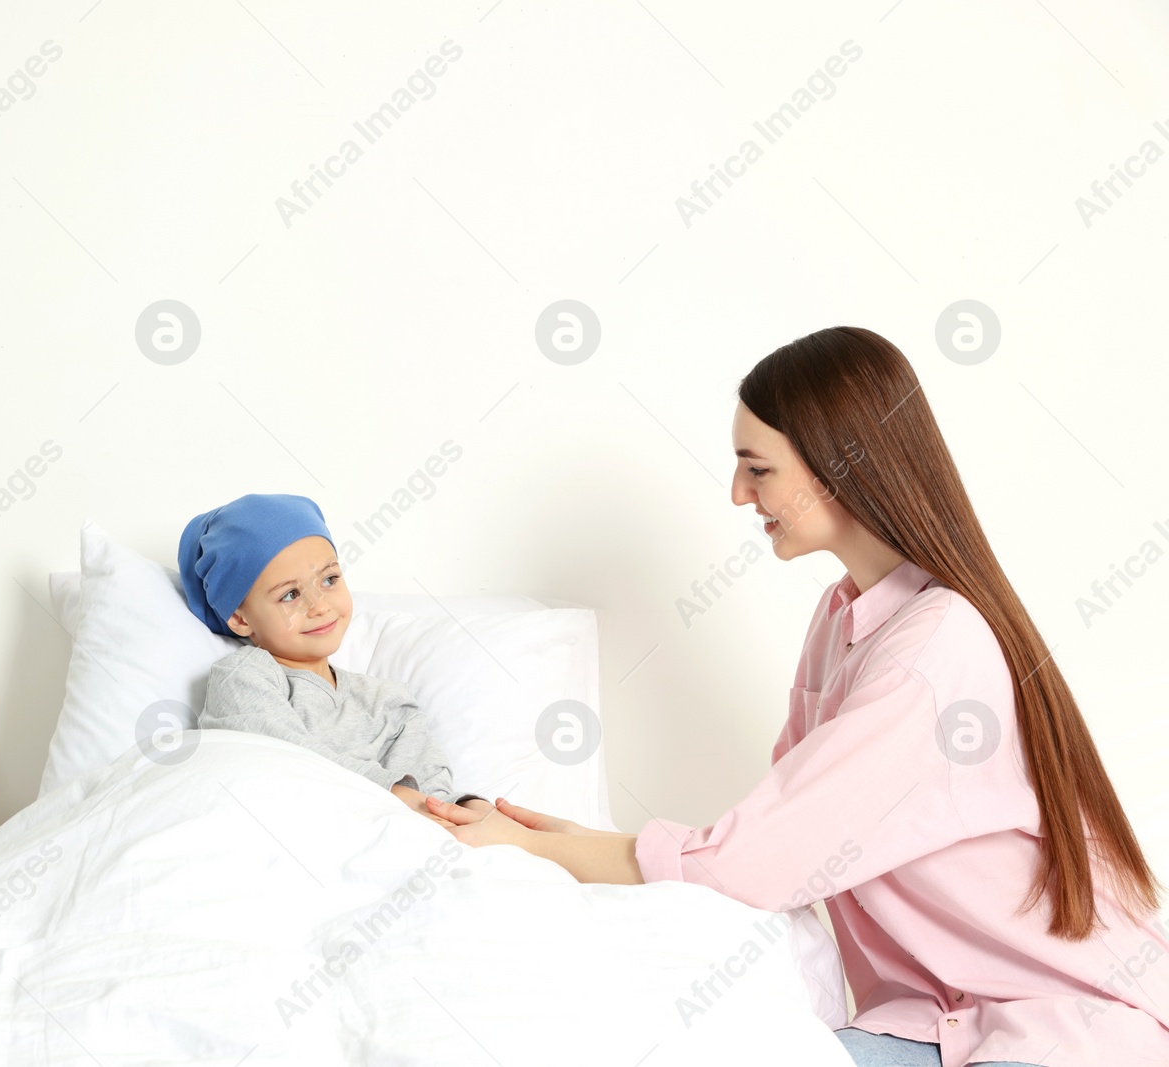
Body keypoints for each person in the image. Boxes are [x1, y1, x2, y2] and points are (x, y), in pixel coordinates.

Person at [425, 327, 1169, 1067]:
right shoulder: (842, 619)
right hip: (929, 1023)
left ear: (839, 465)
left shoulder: (938, 648)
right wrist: (559, 838)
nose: (739, 492)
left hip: (1068, 1025)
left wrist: (536, 846)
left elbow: (754, 861)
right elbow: (779, 830)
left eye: (758, 467)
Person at [178, 493, 488, 825]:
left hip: (418, 830)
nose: (320, 606)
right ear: (240, 619)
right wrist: (405, 801)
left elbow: (434, 797)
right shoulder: (242, 677)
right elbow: (288, 757)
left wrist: (473, 810)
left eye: (329, 580)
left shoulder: (389, 700)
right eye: (291, 595)